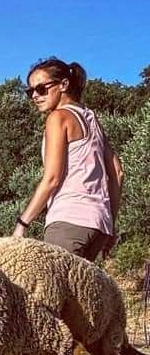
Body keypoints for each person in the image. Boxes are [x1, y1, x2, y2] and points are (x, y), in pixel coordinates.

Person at [12, 58, 124, 262]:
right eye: (30, 92)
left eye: (41, 88)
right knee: (85, 294)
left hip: (68, 221)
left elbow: (52, 179)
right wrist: (110, 223)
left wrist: (22, 223)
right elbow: (117, 172)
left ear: (64, 84)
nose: (35, 96)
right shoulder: (91, 118)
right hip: (99, 226)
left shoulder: (58, 118)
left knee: (54, 292)